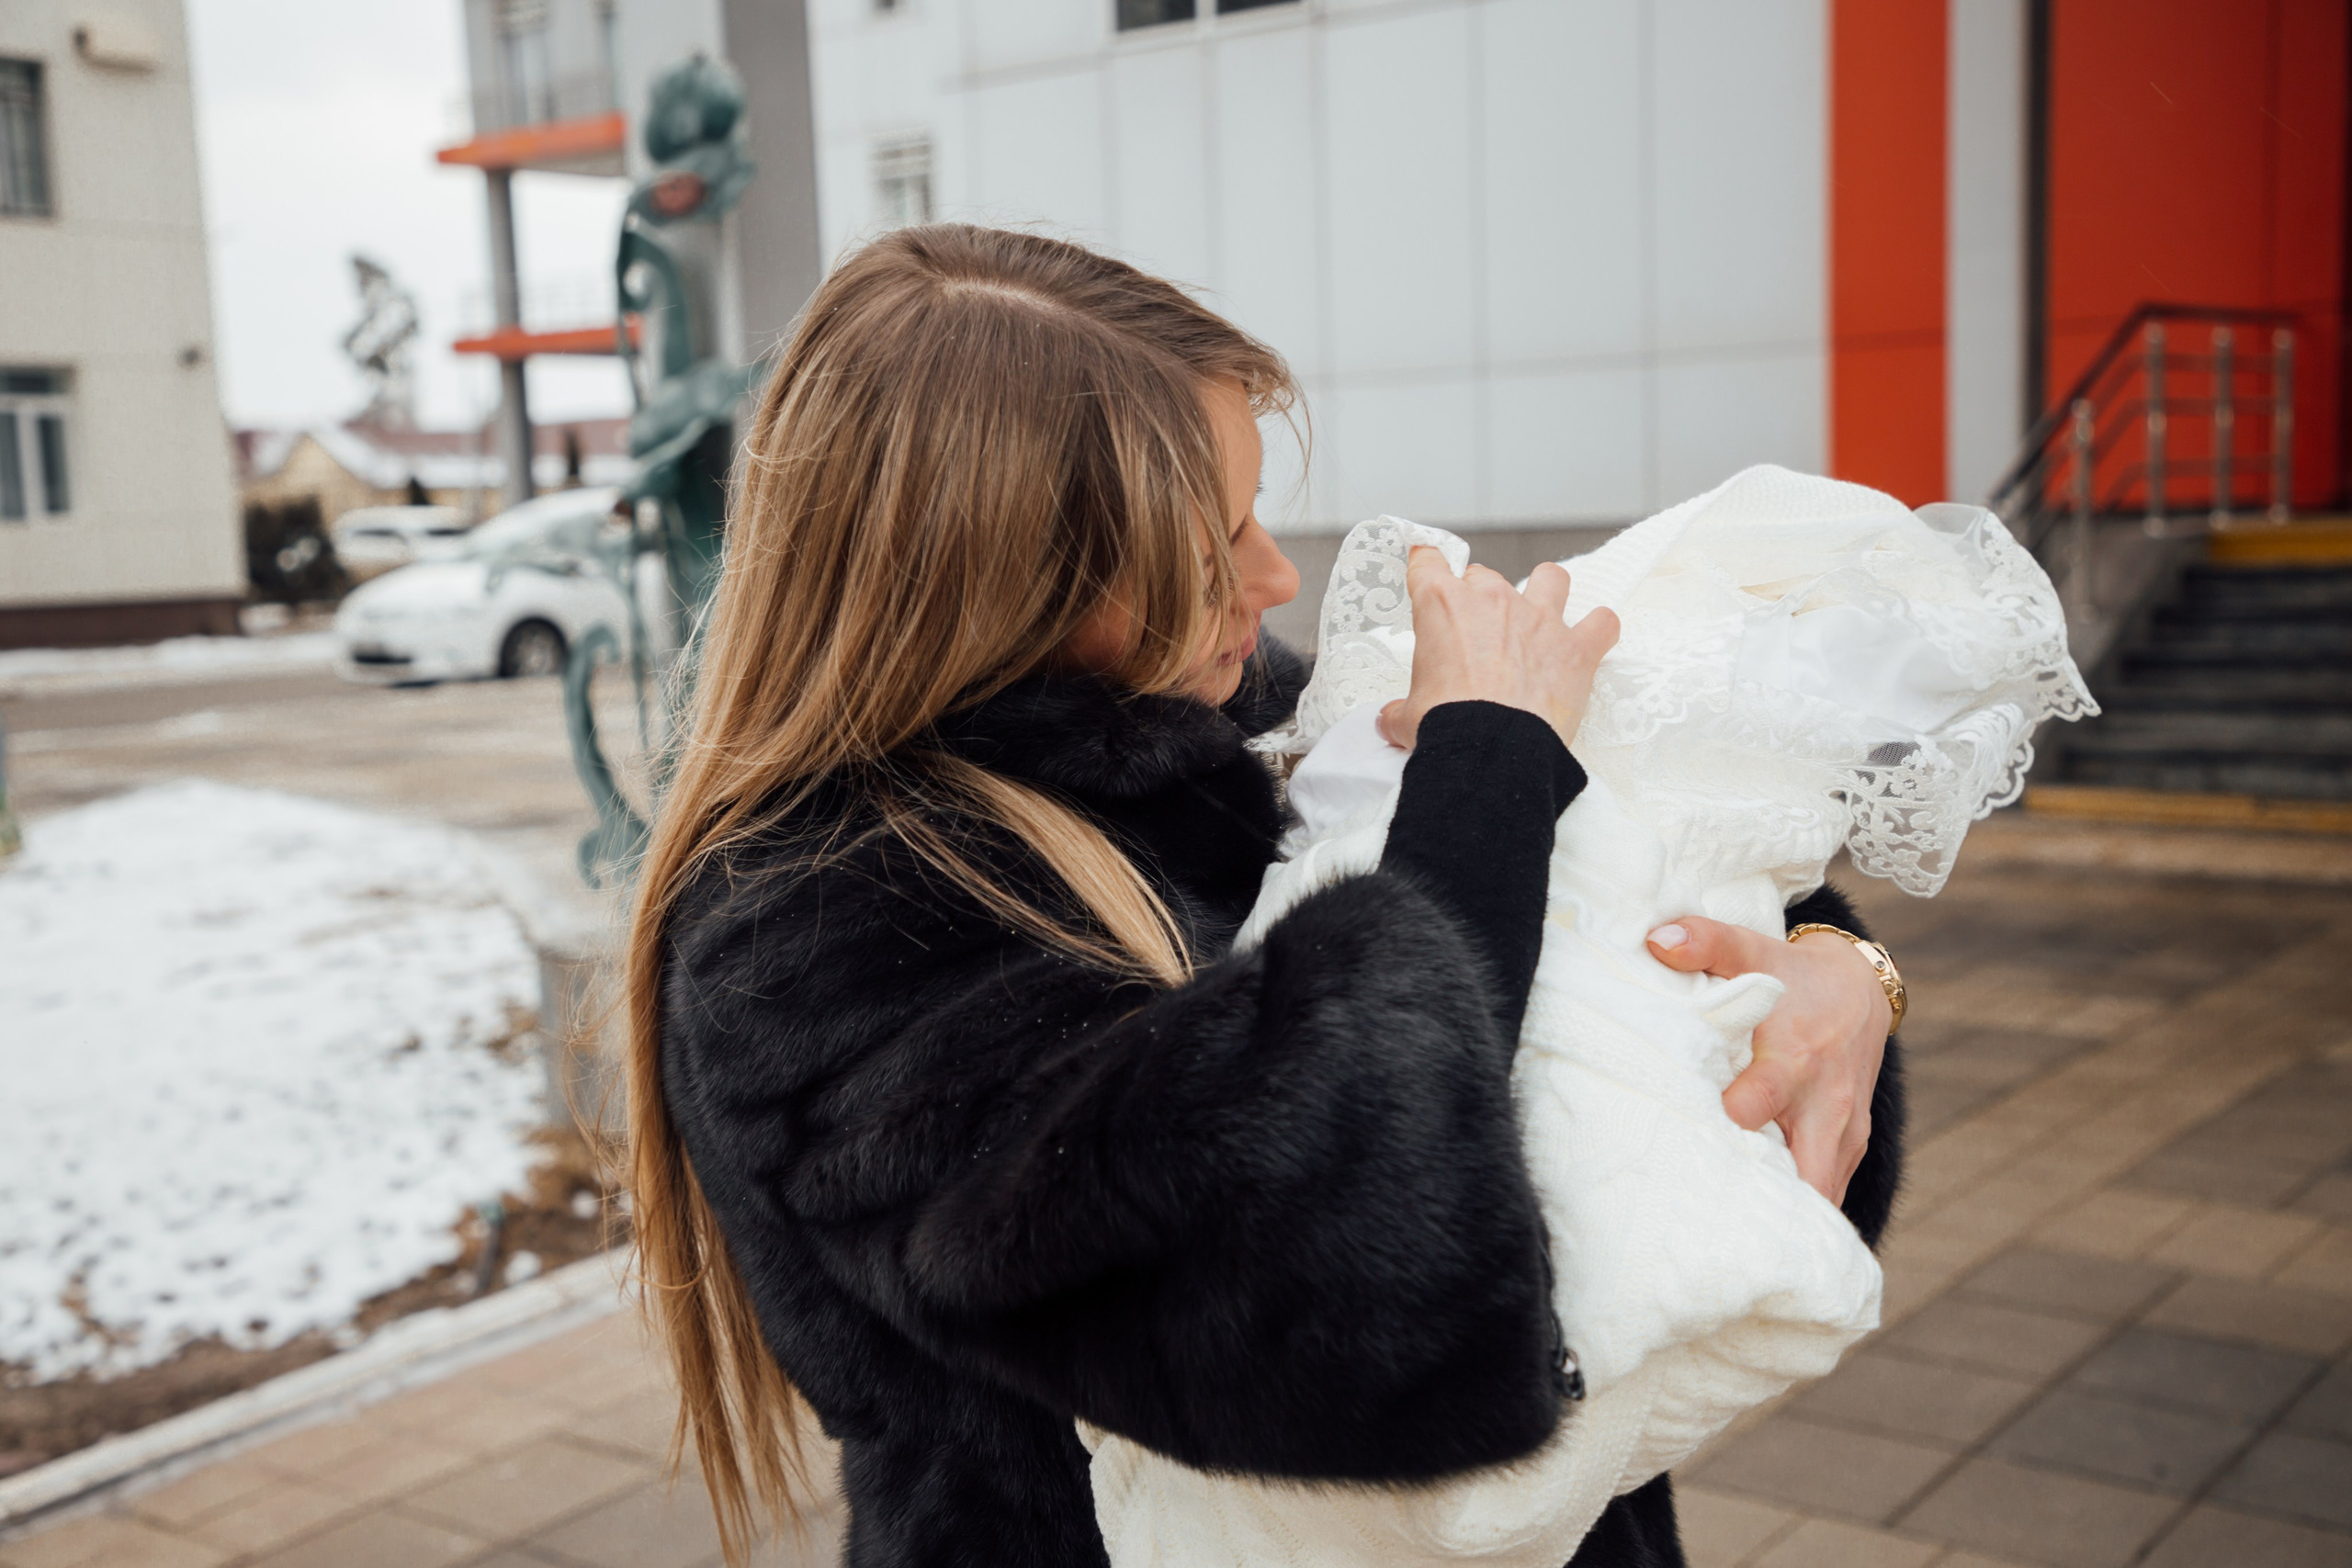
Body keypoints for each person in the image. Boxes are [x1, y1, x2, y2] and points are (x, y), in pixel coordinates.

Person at [624, 223, 1901, 1568]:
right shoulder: (813, 936)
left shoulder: (1233, 713)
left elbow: (1614, 935)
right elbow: (1337, 1290)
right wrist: (1491, 775)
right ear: (1000, 585)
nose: (1276, 577)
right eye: (1207, 539)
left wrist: (1830, 964)